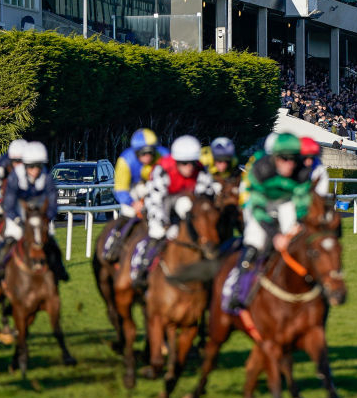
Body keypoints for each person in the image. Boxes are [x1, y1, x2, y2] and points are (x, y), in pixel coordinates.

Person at [223, 133, 313, 312]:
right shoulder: (260, 168)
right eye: (285, 159)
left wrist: (294, 230)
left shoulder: (302, 172)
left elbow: (302, 206)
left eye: (294, 159)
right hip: (262, 205)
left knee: (300, 240)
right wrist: (275, 235)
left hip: (286, 203)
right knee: (255, 239)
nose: (290, 164)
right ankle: (237, 288)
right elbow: (257, 208)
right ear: (275, 157)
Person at [131, 135, 215, 288]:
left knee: (190, 212)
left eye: (192, 163)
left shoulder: (201, 170)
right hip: (161, 201)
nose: (189, 167)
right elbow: (155, 202)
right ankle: (141, 267)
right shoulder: (162, 170)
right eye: (184, 163)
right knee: (157, 232)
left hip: (185, 201)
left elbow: (206, 199)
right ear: (176, 161)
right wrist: (165, 225)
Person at [0, 142, 68, 285]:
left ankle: (60, 268)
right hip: (19, 208)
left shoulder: (47, 176)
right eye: (31, 166)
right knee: (11, 237)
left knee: (51, 238)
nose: (35, 170)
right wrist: (17, 220)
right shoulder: (15, 177)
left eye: (38, 166)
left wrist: (47, 218)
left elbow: (53, 202)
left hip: (39, 210)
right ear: (25, 165)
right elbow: (9, 204)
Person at [103, 129, 169, 261]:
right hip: (133, 189)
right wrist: (132, 203)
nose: (147, 157)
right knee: (129, 212)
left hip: (157, 186)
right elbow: (120, 189)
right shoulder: (125, 160)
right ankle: (115, 242)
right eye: (143, 153)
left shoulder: (164, 155)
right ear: (136, 152)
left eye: (150, 152)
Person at [0, 139, 28, 218]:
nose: (21, 165)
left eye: (24, 162)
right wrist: (0, 201)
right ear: (10, 159)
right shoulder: (1, 164)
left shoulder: (33, 167)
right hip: (2, 196)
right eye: (17, 161)